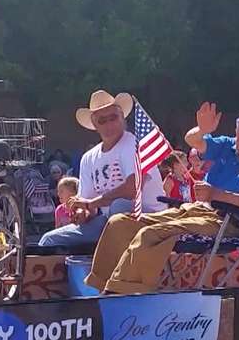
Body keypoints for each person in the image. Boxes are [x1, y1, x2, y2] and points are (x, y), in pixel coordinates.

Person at [86, 101, 239, 294]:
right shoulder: (227, 146)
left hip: (225, 222)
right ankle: (98, 288)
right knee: (119, 222)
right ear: (236, 132)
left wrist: (217, 194)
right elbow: (193, 139)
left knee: (150, 234)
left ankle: (122, 293)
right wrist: (202, 129)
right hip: (195, 210)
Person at [37, 90, 165, 248]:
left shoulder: (133, 144)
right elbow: (87, 204)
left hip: (149, 218)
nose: (109, 124)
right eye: (102, 120)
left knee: (118, 207)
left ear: (122, 118)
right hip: (107, 223)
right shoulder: (88, 158)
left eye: (113, 117)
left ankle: (117, 265)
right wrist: (81, 213)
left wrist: (90, 204)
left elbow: (133, 188)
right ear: (94, 124)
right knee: (48, 240)